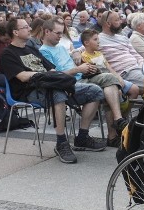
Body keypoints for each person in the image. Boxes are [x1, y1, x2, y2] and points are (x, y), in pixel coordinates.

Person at [0, 17, 106, 163]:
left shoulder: (31, 49)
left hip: (50, 84)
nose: (30, 29)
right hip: (30, 91)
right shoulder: (7, 54)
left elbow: (52, 69)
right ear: (15, 32)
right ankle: (61, 142)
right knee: (58, 93)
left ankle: (82, 137)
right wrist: (46, 76)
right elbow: (23, 77)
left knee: (95, 91)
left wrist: (58, 76)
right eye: (25, 27)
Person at [39, 20, 128, 148]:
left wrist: (86, 67)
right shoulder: (44, 52)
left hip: (82, 77)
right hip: (67, 84)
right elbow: (55, 76)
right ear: (46, 32)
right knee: (105, 87)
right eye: (58, 33)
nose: (60, 36)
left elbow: (73, 62)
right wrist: (78, 69)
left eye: (62, 33)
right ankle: (116, 122)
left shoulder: (60, 47)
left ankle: (113, 131)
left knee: (112, 87)